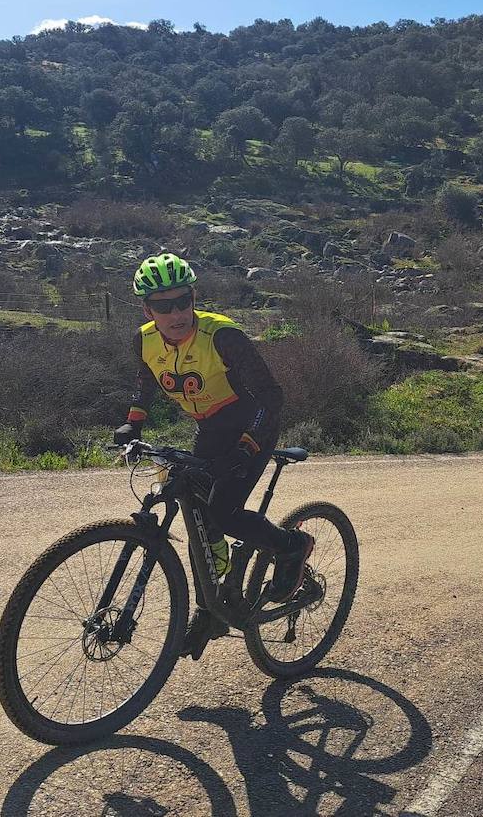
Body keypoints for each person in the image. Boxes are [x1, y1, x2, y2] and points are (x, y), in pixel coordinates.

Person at [113, 252, 314, 659]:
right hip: (210, 428)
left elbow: (270, 398)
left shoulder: (222, 337)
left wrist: (247, 447)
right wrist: (133, 421)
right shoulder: (144, 340)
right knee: (195, 514)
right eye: (163, 306)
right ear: (147, 308)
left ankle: (292, 545)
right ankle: (215, 605)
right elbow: (146, 381)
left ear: (193, 298)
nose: (176, 313)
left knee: (222, 511)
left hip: (252, 424)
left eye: (183, 301)